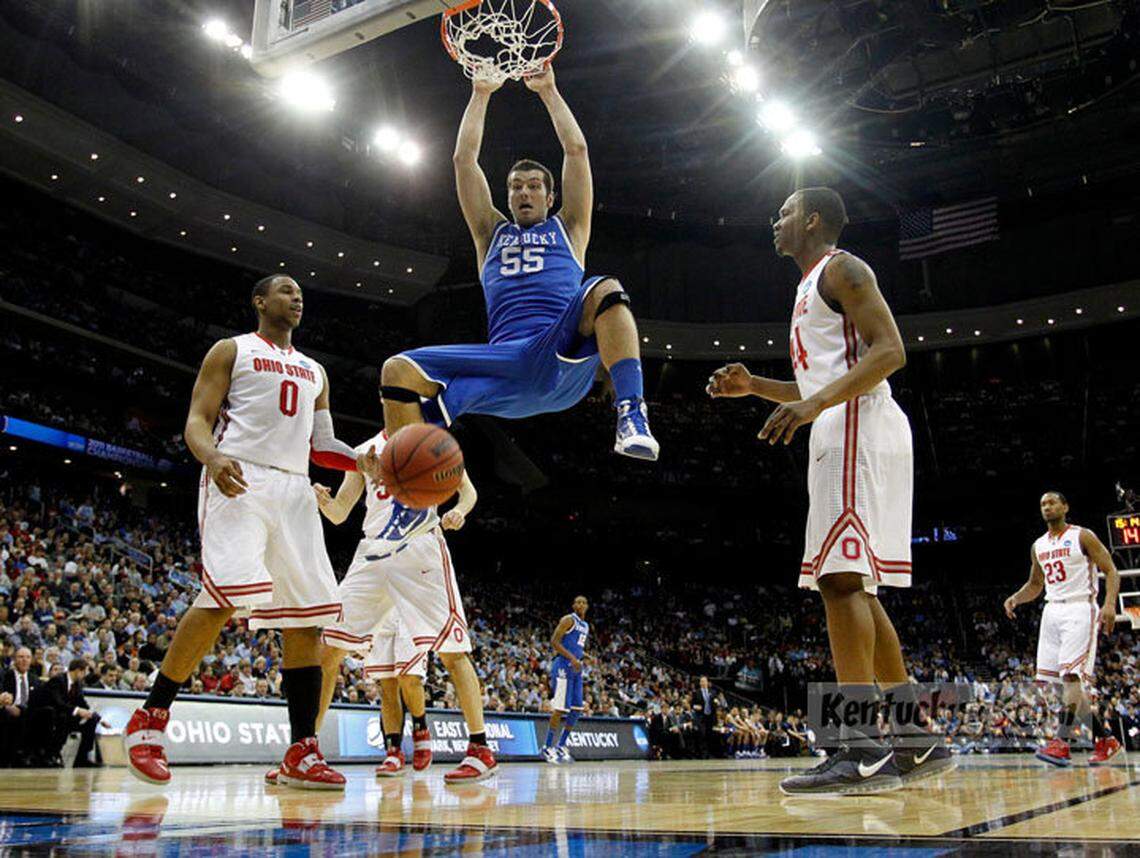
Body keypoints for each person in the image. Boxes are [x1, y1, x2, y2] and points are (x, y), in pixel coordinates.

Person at [708, 187, 953, 795]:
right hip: (844, 422)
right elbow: (816, 378)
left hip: (855, 424)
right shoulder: (809, 284)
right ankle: (915, 741)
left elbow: (891, 351)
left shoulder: (843, 267)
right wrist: (756, 388)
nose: (775, 221)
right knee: (856, 585)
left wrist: (816, 402)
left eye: (784, 212)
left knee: (838, 581)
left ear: (812, 219)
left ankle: (857, 747)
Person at [374, 66, 658, 544]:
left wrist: (548, 90)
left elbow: (577, 150)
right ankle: (411, 498)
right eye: (515, 186)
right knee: (396, 369)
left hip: (557, 355)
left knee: (606, 287)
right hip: (504, 369)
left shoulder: (570, 229)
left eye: (533, 186)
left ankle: (631, 411)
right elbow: (464, 161)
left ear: (550, 196)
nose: (523, 191)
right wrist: (480, 94)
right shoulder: (490, 234)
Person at [123, 274, 372, 789]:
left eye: (301, 292)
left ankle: (301, 751)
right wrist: (211, 457)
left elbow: (321, 444)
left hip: (295, 490)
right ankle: (148, 721)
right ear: (259, 302)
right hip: (239, 477)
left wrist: (367, 462)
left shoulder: (315, 371)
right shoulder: (230, 350)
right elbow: (196, 420)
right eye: (285, 290)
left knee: (306, 622)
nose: (296, 296)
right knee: (222, 597)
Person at [299, 428, 498, 784]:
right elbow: (341, 512)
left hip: (420, 548)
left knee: (454, 652)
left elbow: (467, 492)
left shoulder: (435, 442)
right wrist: (323, 502)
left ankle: (480, 748)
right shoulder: (364, 449)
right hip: (373, 552)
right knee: (328, 649)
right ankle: (305, 750)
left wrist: (459, 512)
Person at [1003, 491, 1122, 766]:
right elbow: (1035, 585)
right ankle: (1105, 740)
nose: (1047, 507)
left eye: (1052, 502)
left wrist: (1109, 604)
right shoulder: (1038, 545)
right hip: (1052, 610)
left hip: (1080, 607)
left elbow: (1111, 571)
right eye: (1043, 503)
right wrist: (1015, 598)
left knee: (1071, 677)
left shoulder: (1083, 536)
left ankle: (1062, 742)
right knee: (1063, 686)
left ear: (1065, 507)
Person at [26, 657, 100, 767]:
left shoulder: (77, 685)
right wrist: (78, 710)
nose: (85, 675)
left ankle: (82, 758)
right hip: (48, 714)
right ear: (78, 670)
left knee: (92, 719)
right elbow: (58, 702)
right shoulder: (58, 680)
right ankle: (51, 754)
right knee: (62, 716)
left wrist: (92, 714)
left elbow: (82, 703)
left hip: (66, 714)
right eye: (84, 672)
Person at [542, 595, 589, 763]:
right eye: (578, 602)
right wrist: (572, 658)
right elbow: (554, 641)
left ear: (587, 606)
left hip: (576, 669)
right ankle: (547, 747)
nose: (581, 605)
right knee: (560, 708)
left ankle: (561, 745)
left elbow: (575, 646)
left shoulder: (586, 625)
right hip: (563, 667)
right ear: (573, 605)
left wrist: (584, 656)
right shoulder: (568, 620)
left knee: (577, 709)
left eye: (584, 603)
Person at [0, 646, 40, 766]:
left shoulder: (34, 679)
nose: (24, 660)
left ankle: (36, 757)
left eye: (27, 657)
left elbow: (37, 701)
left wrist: (23, 710)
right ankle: (7, 759)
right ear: (15, 659)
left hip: (28, 712)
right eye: (21, 657)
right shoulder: (6, 675)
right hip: (8, 710)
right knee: (6, 714)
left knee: (45, 713)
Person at [694, 675, 718, 759]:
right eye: (702, 681)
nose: (703, 683)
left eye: (705, 681)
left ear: (707, 682)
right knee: (702, 734)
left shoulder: (713, 692)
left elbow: (716, 703)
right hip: (701, 716)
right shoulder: (696, 692)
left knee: (710, 734)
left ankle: (710, 753)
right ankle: (703, 753)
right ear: (700, 683)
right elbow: (692, 704)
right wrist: (695, 707)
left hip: (710, 716)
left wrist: (716, 702)